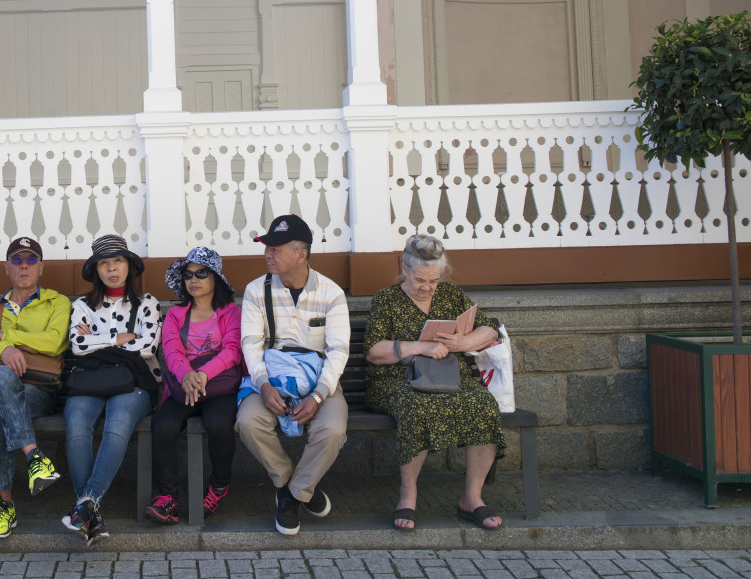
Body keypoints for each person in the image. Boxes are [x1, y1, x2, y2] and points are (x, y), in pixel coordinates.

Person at [363, 234, 506, 531]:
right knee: (417, 406)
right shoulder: (386, 299)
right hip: (397, 380)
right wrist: (420, 347)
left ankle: (471, 498)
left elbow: (491, 329)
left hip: (449, 378)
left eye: (433, 280)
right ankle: (408, 494)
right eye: (420, 280)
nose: (427, 287)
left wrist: (463, 342)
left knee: (483, 405)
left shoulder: (451, 295)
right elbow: (374, 352)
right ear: (404, 269)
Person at [235, 214, 350, 536]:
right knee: (248, 422)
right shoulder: (256, 290)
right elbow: (251, 344)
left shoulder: (331, 293)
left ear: (301, 254)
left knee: (332, 430)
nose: (267, 254)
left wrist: (319, 395)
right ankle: (295, 484)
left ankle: (290, 497)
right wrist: (263, 384)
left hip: (319, 381)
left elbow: (338, 350)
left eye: (276, 249)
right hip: (270, 379)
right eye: (267, 248)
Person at [62, 234, 161, 544]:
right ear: (96, 270)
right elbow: (77, 346)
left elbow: (147, 347)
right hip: (90, 380)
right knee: (76, 424)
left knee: (117, 424)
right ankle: (89, 511)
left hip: (136, 382)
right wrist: (119, 339)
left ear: (129, 266)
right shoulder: (82, 305)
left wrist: (97, 340)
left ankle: (86, 504)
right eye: (104, 263)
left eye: (118, 261)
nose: (112, 268)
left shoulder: (147, 303)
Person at [0, 236, 70, 539]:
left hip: (39, 388)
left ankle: (4, 506)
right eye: (17, 260)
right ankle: (34, 456)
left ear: (41, 267)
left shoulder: (57, 302)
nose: (23, 266)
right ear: (7, 267)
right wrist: (4, 352)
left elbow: (54, 342)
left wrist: (4, 338)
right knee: (3, 375)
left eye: (30, 260)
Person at [144, 246, 242, 525]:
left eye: (201, 273)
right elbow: (172, 350)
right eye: (188, 275)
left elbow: (233, 350)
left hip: (218, 386)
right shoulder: (176, 314)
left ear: (216, 278)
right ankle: (167, 497)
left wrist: (202, 374)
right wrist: (187, 374)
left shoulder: (231, 312)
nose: (193, 279)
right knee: (163, 425)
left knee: (219, 424)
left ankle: (219, 486)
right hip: (183, 386)